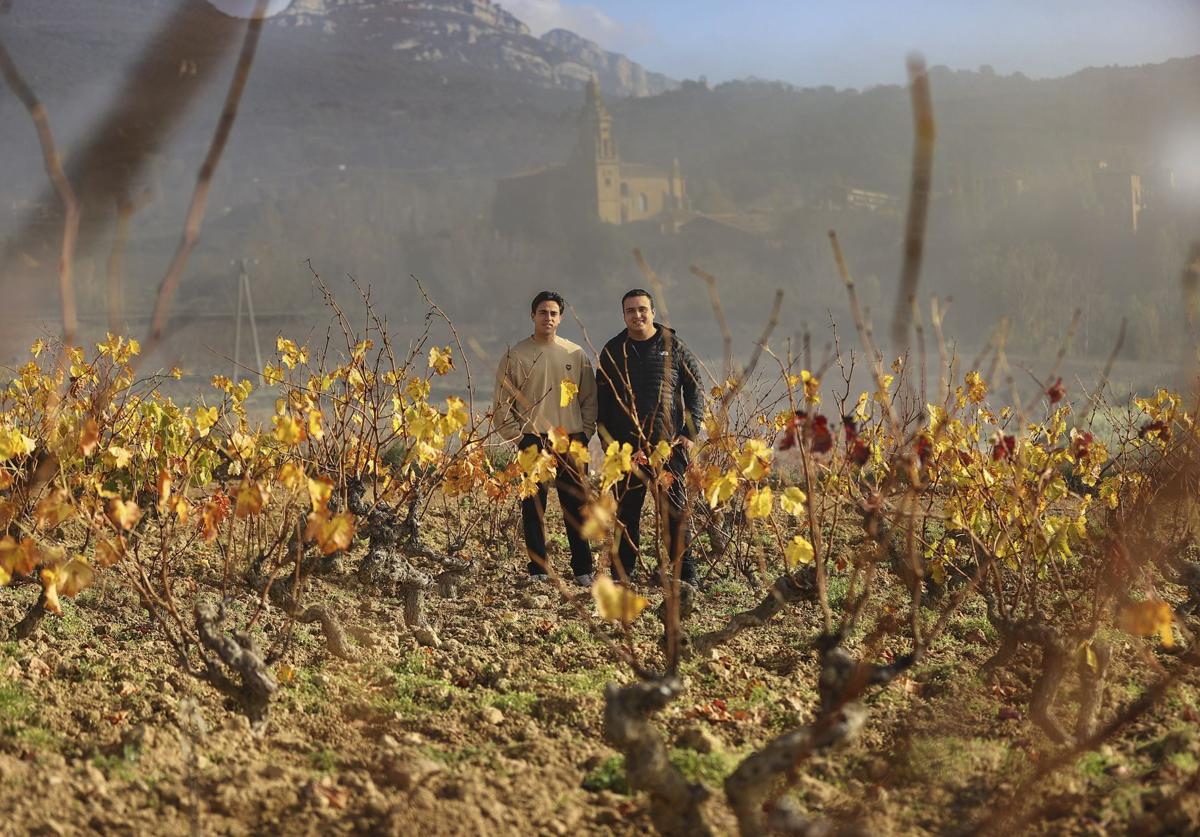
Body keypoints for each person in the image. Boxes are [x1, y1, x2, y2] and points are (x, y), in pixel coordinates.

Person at [596, 288, 704, 587]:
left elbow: (695, 391)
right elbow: (601, 399)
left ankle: (687, 577)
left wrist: (689, 433)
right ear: (624, 316)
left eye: (642, 309)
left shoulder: (675, 346)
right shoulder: (613, 350)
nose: (637, 315)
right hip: (626, 450)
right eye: (630, 310)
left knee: (675, 514)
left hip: (668, 449)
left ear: (653, 312)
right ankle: (621, 575)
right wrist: (606, 440)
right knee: (626, 515)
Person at [492, 291, 598, 585]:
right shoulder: (516, 355)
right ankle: (538, 569)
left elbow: (589, 398)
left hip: (571, 439)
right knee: (533, 508)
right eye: (542, 312)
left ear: (560, 318)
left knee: (577, 507)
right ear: (533, 316)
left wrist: (585, 431)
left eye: (553, 313)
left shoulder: (575, 354)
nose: (547, 318)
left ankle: (583, 570)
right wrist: (518, 437)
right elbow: (502, 403)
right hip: (533, 440)